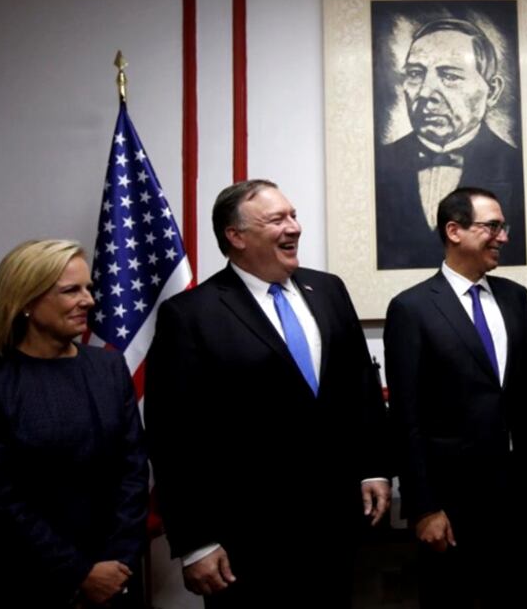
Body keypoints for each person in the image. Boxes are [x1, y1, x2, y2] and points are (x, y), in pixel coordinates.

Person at [145, 180, 390, 608]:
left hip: (335, 526)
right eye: (277, 219)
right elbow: (174, 437)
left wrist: (373, 468)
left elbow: (361, 390)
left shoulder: (329, 290)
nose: (294, 227)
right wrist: (195, 541)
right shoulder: (191, 315)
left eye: (293, 215)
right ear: (236, 236)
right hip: (246, 541)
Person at [384, 186, 527, 608]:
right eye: (493, 226)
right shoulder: (412, 308)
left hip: (515, 496)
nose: (503, 236)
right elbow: (407, 417)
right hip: (451, 503)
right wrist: (423, 507)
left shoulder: (516, 298)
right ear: (454, 230)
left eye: (503, 226)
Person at [0, 239, 148, 608]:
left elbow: (134, 470)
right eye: (71, 291)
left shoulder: (108, 368)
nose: (90, 301)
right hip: (21, 583)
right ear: (26, 302)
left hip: (115, 579)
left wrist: (118, 563)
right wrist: (79, 572)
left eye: (89, 289)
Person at [375, 18, 526, 269]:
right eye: (415, 74)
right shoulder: (378, 166)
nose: (425, 93)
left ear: (493, 90)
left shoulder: (518, 167)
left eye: (449, 76)